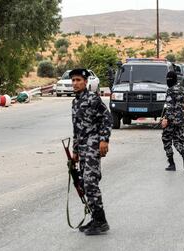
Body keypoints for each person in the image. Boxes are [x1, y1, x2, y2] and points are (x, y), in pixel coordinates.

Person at [70, 68, 113, 235]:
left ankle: (101, 221)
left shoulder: (92, 99)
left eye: (78, 80)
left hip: (93, 146)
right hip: (82, 147)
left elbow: (107, 118)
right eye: (73, 80)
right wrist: (75, 151)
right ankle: (96, 218)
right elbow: (76, 129)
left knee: (90, 182)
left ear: (85, 82)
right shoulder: (75, 102)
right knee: (84, 183)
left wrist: (104, 139)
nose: (75, 83)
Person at [161, 71, 184, 171]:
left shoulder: (170, 90)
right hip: (181, 119)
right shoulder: (183, 89)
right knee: (177, 141)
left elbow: (169, 107)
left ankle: (172, 164)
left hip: (171, 120)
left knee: (166, 140)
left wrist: (165, 119)